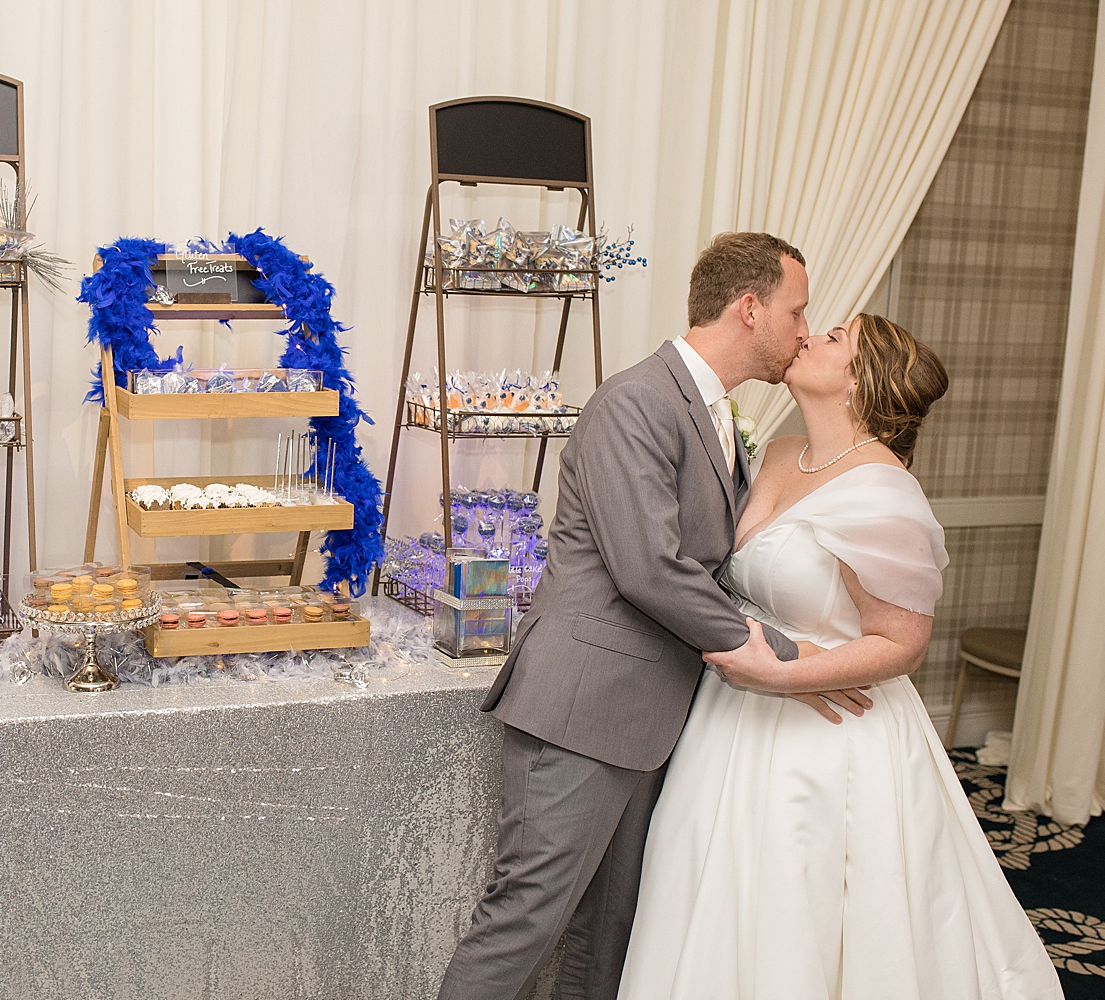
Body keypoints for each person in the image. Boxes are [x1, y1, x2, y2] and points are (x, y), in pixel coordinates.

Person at [438, 233, 871, 1000]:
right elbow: (650, 569)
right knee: (525, 920)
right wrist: (781, 654)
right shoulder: (634, 401)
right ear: (749, 307)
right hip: (582, 707)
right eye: (796, 311)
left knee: (608, 933)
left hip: (650, 715)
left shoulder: (717, 414)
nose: (806, 330)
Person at [615, 314, 1062, 998]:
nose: (808, 337)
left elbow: (902, 643)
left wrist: (784, 674)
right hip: (730, 717)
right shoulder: (778, 452)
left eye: (832, 338)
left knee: (805, 904)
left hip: (829, 733)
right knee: (707, 883)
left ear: (858, 381)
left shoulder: (883, 491)